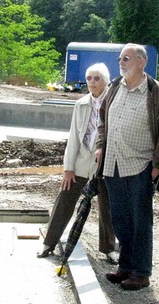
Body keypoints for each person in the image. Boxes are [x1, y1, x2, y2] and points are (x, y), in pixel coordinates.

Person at [95, 43, 159, 291]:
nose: (121, 63)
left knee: (140, 221)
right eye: (120, 59)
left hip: (139, 165)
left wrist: (157, 163)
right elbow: (102, 119)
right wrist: (100, 145)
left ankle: (141, 272)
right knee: (120, 219)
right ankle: (125, 267)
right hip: (112, 163)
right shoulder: (115, 86)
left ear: (141, 62)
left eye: (126, 58)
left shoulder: (154, 91)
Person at [36, 63, 118, 264]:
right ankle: (48, 243)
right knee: (65, 199)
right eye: (89, 78)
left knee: (107, 206)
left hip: (104, 164)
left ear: (106, 81)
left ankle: (109, 249)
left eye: (96, 78)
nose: (91, 82)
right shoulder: (81, 104)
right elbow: (73, 137)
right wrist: (68, 168)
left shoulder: (115, 102)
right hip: (81, 161)